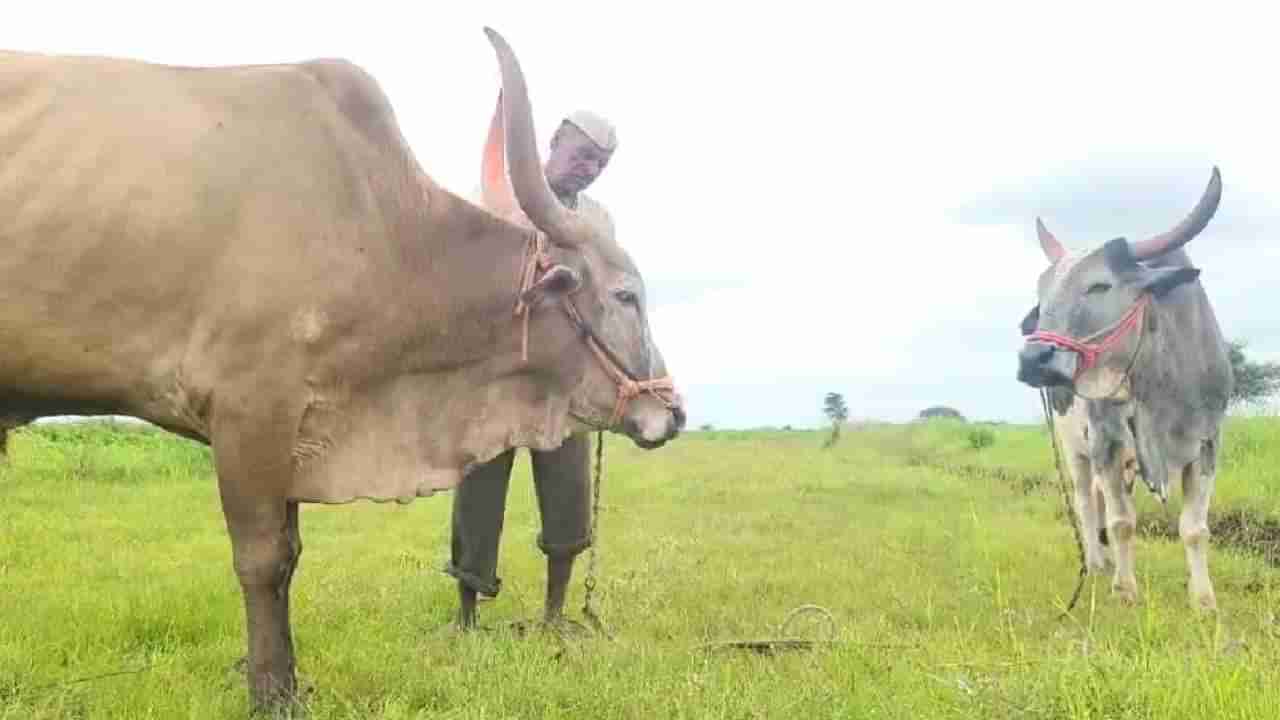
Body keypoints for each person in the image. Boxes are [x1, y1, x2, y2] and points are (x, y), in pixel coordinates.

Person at [446, 92, 618, 629]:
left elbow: (605, 292)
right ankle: (467, 616)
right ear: (553, 142)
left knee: (567, 495)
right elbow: (463, 273)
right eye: (581, 153)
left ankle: (556, 612)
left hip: (562, 380)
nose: (588, 169)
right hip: (497, 374)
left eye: (600, 162)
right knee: (478, 493)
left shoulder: (598, 220)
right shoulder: (495, 196)